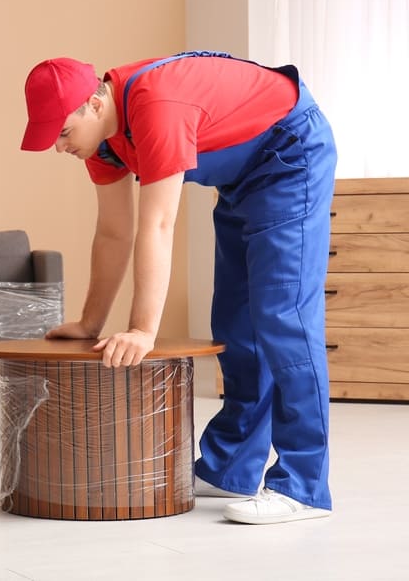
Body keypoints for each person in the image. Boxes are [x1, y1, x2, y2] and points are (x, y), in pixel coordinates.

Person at [19, 51, 336, 525]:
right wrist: (90, 323)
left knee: (283, 318)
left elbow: (159, 224)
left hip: (290, 155)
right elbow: (114, 233)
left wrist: (143, 331)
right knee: (235, 323)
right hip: (241, 179)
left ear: (94, 103)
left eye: (62, 133)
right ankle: (229, 467)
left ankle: (304, 486)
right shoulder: (104, 142)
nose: (59, 147)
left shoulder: (155, 106)